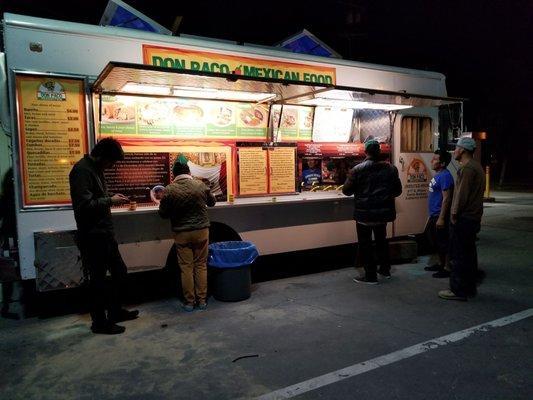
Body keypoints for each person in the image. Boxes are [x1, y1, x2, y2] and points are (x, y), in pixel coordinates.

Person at [69, 138, 139, 334]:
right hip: (92, 235)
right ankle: (99, 323)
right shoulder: (82, 170)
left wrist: (109, 199)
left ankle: (115, 312)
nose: (112, 166)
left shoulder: (95, 168)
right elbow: (83, 206)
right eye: (111, 162)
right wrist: (110, 200)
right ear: (101, 156)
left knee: (120, 273)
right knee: (98, 281)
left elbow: (96, 198)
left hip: (104, 233)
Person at [159, 161, 216, 312]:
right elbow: (212, 203)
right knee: (201, 265)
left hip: (181, 232)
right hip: (201, 231)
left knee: (186, 267)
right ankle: (202, 301)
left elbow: (163, 213)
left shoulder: (169, 189)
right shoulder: (199, 185)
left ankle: (190, 302)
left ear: (174, 174)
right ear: (189, 172)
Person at [342, 140, 402, 284]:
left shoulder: (357, 169)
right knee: (382, 241)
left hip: (364, 215)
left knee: (366, 244)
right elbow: (398, 191)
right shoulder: (391, 169)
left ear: (365, 152)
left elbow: (346, 191)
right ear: (379, 152)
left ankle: (370, 276)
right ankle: (385, 270)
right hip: (382, 215)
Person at [438, 137, 485, 301]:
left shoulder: (467, 169)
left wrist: (453, 215)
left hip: (464, 219)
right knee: (468, 255)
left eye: (456, 148)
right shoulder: (476, 166)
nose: (454, 151)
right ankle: (469, 288)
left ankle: (458, 290)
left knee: (458, 256)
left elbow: (461, 196)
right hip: (472, 218)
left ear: (463, 150)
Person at [425, 150, 454, 278]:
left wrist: (441, 218)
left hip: (439, 215)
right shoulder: (439, 174)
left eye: (435, 159)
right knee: (435, 242)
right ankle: (440, 263)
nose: (432, 161)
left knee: (443, 242)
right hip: (434, 214)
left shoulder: (445, 176)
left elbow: (447, 198)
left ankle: (447, 268)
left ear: (442, 163)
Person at [0, 168, 19, 319]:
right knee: (9, 275)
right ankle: (6, 306)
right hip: (11, 237)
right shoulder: (14, 198)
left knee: (9, 276)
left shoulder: (5, 198)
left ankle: (6, 306)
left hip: (8, 237)